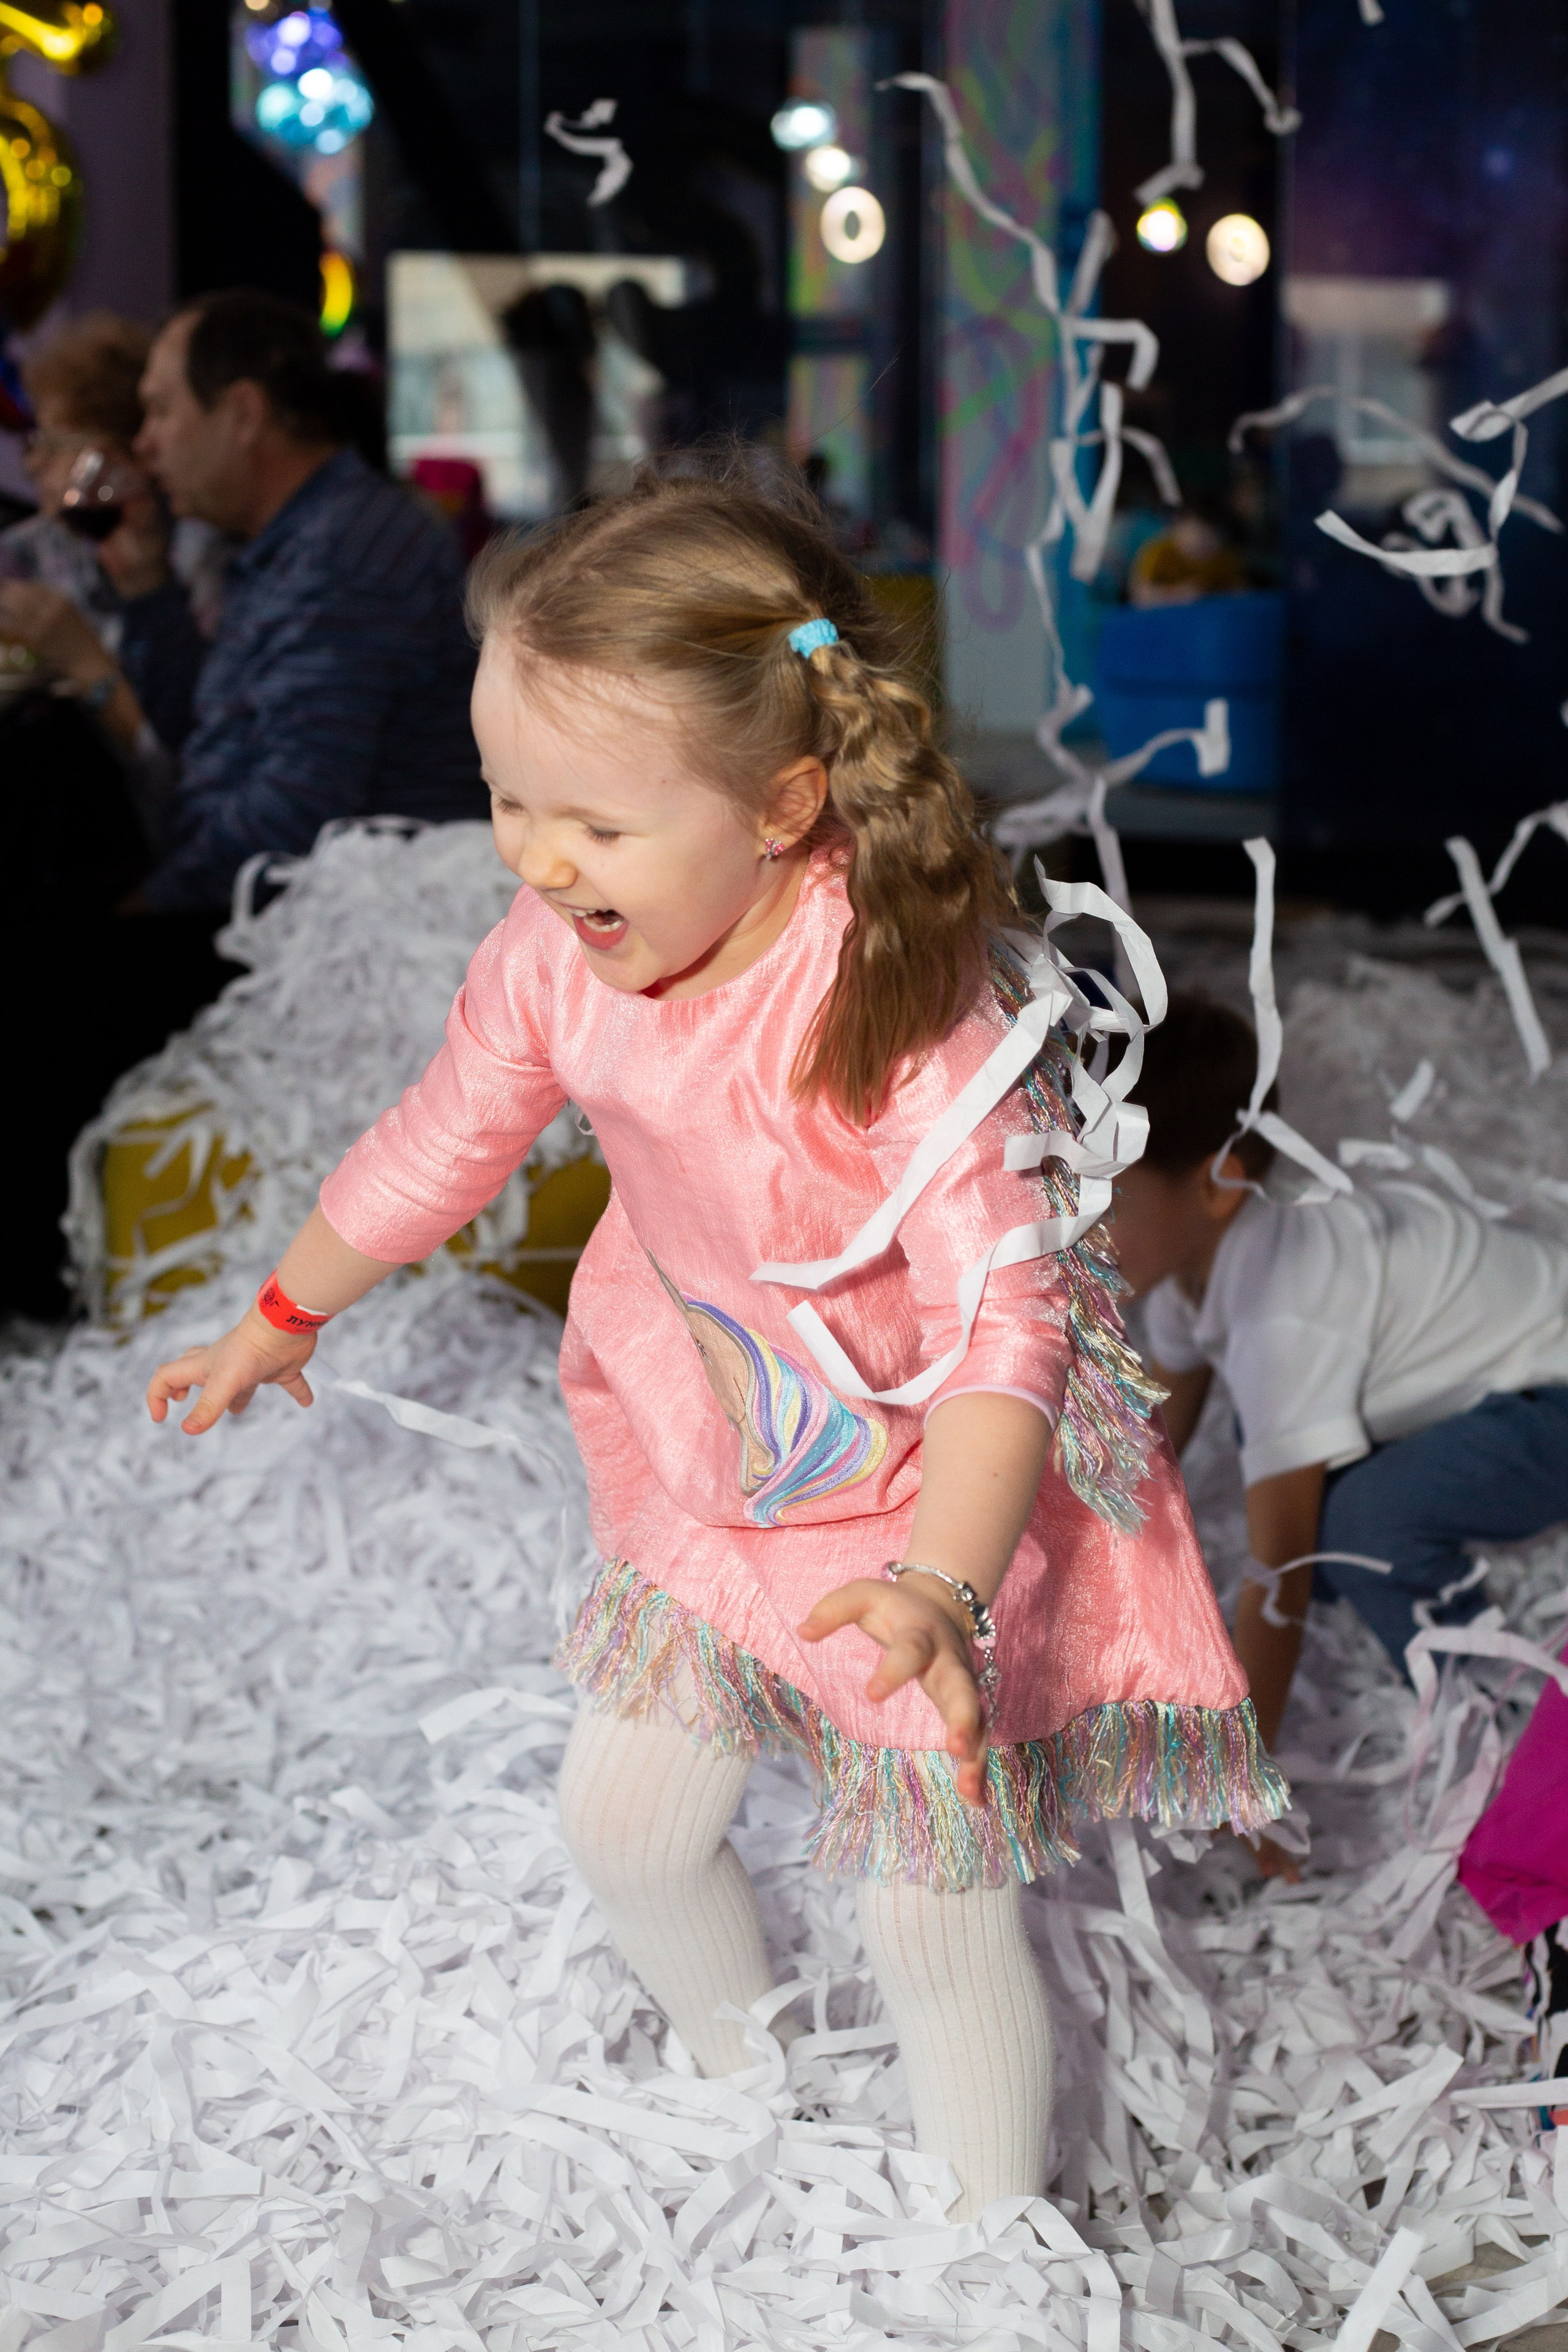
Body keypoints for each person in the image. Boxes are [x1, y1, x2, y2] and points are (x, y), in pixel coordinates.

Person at [145, 468, 1286, 2218]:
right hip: (721, 1438)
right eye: (509, 800)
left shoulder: (896, 999)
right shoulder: (555, 950)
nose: (536, 858)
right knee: (626, 1824)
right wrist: (286, 1311)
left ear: (782, 807)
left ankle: (987, 2243)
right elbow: (447, 1128)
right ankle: (741, 2086)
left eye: (592, 823)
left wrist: (945, 1588)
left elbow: (1006, 1318)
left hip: (933, 1484)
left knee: (931, 1900)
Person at [0, 290, 484, 1321]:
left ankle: (44, 1320)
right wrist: (141, 590)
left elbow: (286, 828)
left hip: (335, 933)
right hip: (271, 896)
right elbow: (206, 749)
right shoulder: (292, 541)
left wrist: (138, 904)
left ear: (245, 415)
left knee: (34, 982)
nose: (145, 443)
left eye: (164, 413)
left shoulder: (347, 552)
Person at [1113, 994, 1568, 1836]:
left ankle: (1494, 1718)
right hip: (1485, 1379)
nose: (1069, 1233)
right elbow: (1151, 1457)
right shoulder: (1194, 1268)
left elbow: (1278, 1570)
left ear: (1219, 1187)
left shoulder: (1283, 1311)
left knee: (1359, 1518)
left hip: (1556, 1389)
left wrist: (1241, 1774)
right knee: (1280, 1441)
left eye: (1105, 1206)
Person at [1127, 502, 1245, 606]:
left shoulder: (1223, 557)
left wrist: (1208, 595)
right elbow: (1139, 596)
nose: (1201, 544)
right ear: (1178, 529)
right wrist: (1177, 594)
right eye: (1196, 534)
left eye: (1209, 538)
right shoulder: (1158, 551)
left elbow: (1242, 596)